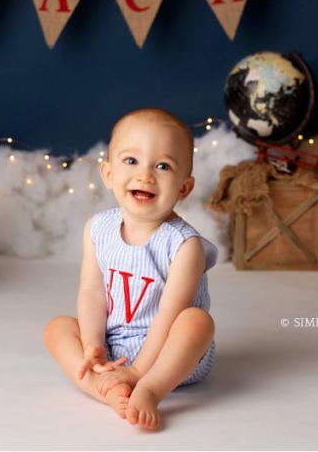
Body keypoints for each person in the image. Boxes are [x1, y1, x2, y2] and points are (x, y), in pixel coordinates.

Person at [43, 108, 217, 430]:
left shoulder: (184, 246)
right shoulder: (97, 229)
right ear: (108, 174)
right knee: (57, 328)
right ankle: (102, 388)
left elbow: (168, 317)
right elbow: (92, 291)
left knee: (197, 322)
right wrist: (94, 345)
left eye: (163, 166)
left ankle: (150, 390)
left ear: (184, 188)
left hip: (170, 355)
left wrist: (140, 373)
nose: (146, 176)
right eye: (131, 161)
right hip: (114, 348)